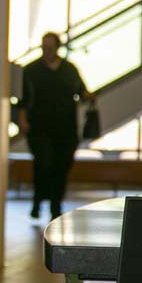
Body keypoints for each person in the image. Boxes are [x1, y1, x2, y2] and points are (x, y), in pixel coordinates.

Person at [17, 32, 94, 219]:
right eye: (44, 47)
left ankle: (55, 206)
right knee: (43, 164)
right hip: (39, 129)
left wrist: (88, 96)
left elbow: (82, 91)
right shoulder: (31, 70)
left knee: (61, 167)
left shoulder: (69, 70)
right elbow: (22, 99)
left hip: (66, 129)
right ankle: (38, 202)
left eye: (49, 47)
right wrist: (23, 120)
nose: (46, 51)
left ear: (57, 48)